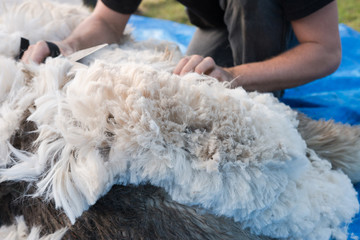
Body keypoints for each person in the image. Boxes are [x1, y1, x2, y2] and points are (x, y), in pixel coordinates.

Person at [22, 0, 341, 96]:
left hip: (295, 27)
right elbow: (106, 21)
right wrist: (66, 46)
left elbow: (324, 50)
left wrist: (233, 75)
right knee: (188, 83)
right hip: (218, 22)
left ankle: (263, 112)